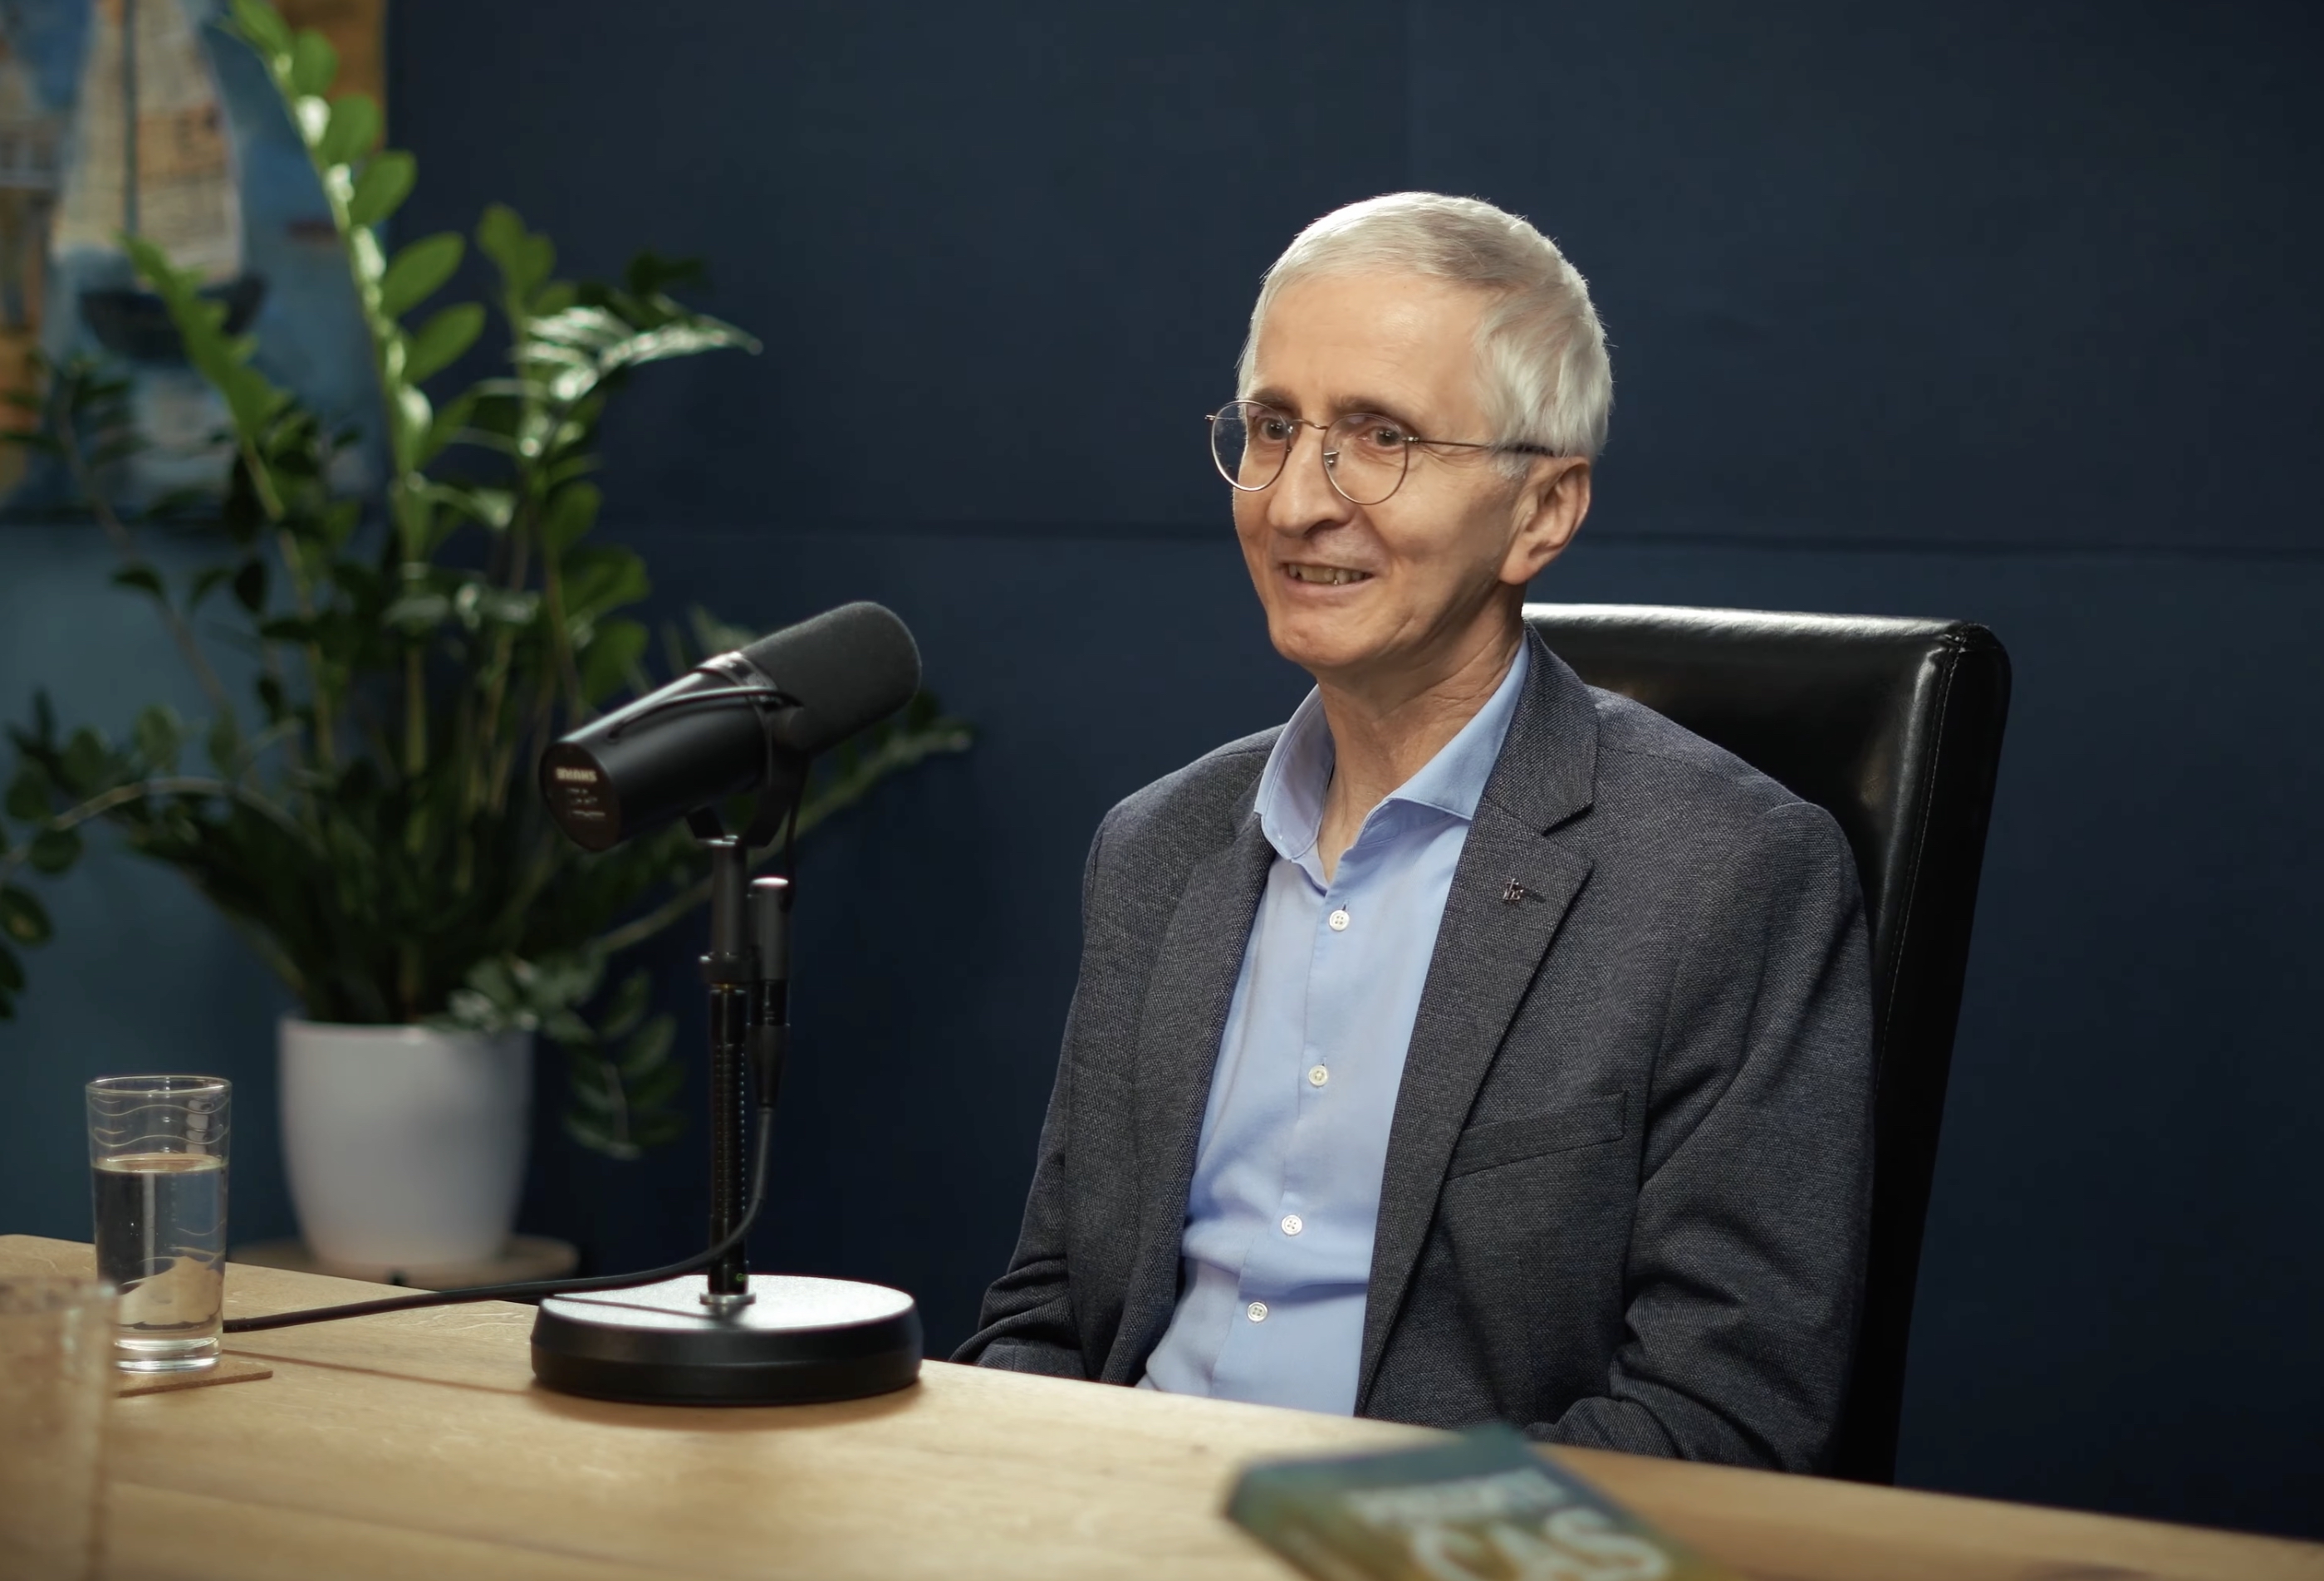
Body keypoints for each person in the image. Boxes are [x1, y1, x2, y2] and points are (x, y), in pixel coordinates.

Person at [955, 192, 1873, 1473]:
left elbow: (1722, 1420)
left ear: (1542, 512)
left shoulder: (1728, 876)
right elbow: (1051, 1315)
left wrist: (1299, 1541)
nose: (1294, 503)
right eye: (1273, 428)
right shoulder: (1156, 845)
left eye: (1378, 438)